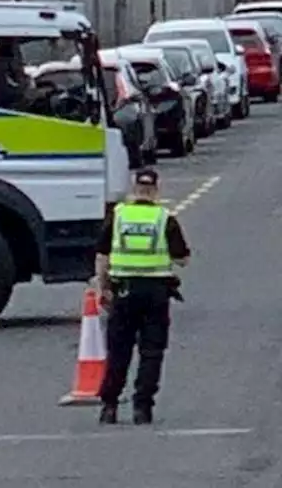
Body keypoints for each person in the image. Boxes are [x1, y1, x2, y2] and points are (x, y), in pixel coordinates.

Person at [95, 168, 191, 425]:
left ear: (134, 189)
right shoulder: (164, 218)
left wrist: (102, 287)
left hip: (123, 291)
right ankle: (142, 407)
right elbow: (183, 259)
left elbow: (102, 257)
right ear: (157, 190)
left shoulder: (118, 216)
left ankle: (109, 405)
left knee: (118, 351)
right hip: (156, 293)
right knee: (152, 351)